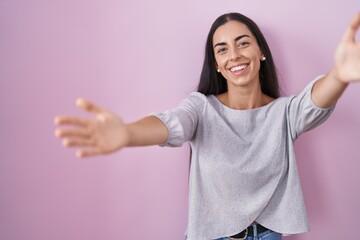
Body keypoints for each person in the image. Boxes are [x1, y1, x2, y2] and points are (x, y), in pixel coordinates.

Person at [54, 12, 360, 240]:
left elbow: (313, 102)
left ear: (261, 52)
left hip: (269, 235)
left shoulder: (283, 113)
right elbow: (172, 124)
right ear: (216, 63)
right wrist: (128, 134)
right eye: (222, 49)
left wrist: (340, 75)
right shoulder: (201, 107)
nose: (235, 55)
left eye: (243, 44)